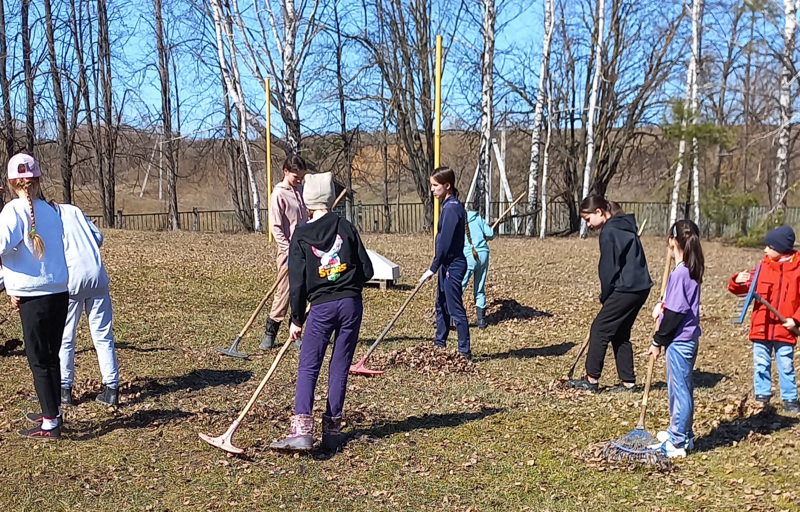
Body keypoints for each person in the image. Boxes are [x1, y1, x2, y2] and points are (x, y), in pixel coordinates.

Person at [270, 172, 373, 452]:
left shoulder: (301, 234)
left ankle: (302, 431)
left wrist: (296, 319)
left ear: (306, 199)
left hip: (322, 307)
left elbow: (298, 281)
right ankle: (332, 430)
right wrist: (347, 282)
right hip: (351, 304)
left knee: (308, 365)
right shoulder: (346, 226)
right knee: (339, 365)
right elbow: (368, 269)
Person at [0, 153, 69, 439]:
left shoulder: (12, 211)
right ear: (38, 180)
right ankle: (53, 409)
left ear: (10, 181)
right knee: (51, 356)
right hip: (59, 292)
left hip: (34, 296)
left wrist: (13, 285)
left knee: (39, 360)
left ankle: (50, 422)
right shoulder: (52, 212)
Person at [568, 195, 653, 392]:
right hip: (640, 287)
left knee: (600, 329)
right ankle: (628, 382)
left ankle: (591, 379)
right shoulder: (624, 225)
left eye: (588, 219)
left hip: (626, 288)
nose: (588, 225)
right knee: (620, 333)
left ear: (599, 212)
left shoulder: (610, 231)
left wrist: (606, 295)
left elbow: (608, 269)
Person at [728, 225, 800, 414]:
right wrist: (738, 280)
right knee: (761, 362)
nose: (765, 250)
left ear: (780, 248)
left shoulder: (797, 270)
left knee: (785, 364)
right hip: (762, 327)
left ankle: (790, 398)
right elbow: (742, 289)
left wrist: (796, 320)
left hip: (785, 328)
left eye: (769, 246)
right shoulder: (763, 267)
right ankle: (762, 396)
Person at [54, 201, 120, 407]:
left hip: (71, 280)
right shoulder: (74, 210)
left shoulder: (48, 219)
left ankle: (65, 390)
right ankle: (111, 389)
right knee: (103, 336)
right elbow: (98, 237)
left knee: (66, 337)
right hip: (97, 275)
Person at [648, 219, 704, 458]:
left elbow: (676, 313)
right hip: (685, 338)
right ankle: (682, 433)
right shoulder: (689, 269)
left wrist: (658, 340)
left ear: (672, 242)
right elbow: (676, 305)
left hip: (679, 341)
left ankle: (678, 441)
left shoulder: (681, 273)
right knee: (680, 388)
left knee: (680, 391)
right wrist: (663, 305)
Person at [420, 167, 471, 360]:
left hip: (454, 265)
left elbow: (446, 241)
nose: (432, 189)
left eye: (435, 185)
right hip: (445, 264)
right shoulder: (447, 206)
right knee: (440, 304)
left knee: (454, 308)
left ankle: (464, 351)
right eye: (431, 185)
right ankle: (439, 343)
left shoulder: (452, 208)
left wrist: (433, 267)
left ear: (447, 186)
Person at [261, 154, 309, 350]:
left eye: (301, 177)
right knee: (285, 292)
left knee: (302, 291)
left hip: (306, 249)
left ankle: (295, 332)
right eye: (295, 177)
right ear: (286, 171)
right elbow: (276, 227)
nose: (298, 181)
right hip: (288, 251)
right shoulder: (279, 194)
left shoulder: (302, 191)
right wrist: (289, 250)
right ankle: (270, 332)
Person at [462, 210, 494, 329]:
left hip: (468, 256)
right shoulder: (478, 218)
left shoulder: (459, 220)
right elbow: (490, 233)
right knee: (479, 288)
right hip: (483, 255)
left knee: (459, 286)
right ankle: (481, 321)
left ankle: (450, 316)